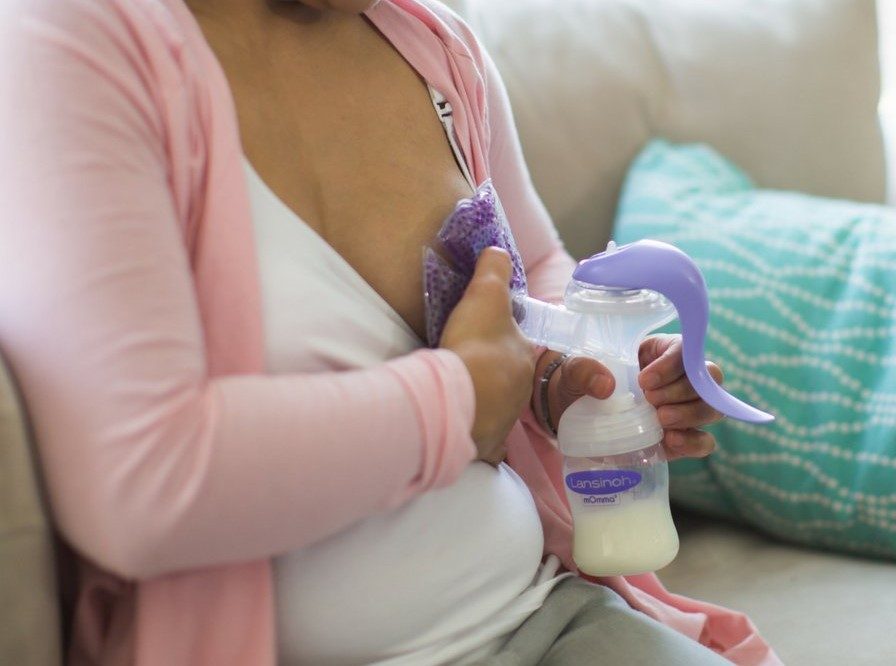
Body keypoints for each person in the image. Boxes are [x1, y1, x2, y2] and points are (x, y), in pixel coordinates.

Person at [0, 0, 777, 664]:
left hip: (543, 621)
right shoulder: (68, 47)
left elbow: (535, 266)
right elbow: (145, 489)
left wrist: (570, 377)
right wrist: (460, 402)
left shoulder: (427, 46)